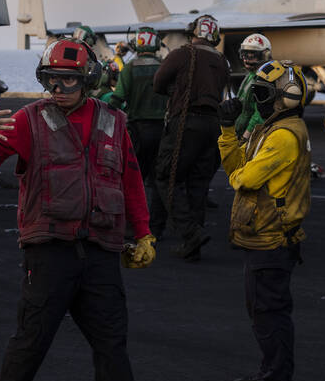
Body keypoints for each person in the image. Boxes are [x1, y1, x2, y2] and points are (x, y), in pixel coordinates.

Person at [0, 37, 180, 381]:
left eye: (68, 81)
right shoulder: (29, 120)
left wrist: (144, 232)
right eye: (52, 81)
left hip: (99, 250)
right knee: (33, 338)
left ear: (88, 80)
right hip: (49, 252)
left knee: (111, 345)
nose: (59, 89)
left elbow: (131, 181)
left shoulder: (114, 122)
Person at [218, 60, 310, 381]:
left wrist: (238, 161)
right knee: (262, 311)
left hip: (272, 238)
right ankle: (271, 372)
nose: (256, 100)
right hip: (263, 236)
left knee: (269, 313)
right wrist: (227, 129)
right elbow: (235, 166)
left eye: (261, 94)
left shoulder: (284, 136)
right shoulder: (271, 129)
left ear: (281, 98)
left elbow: (243, 178)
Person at [153, 14, 230, 261]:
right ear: (215, 37)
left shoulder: (182, 54)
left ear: (192, 33)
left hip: (185, 122)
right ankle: (193, 241)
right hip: (212, 126)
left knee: (167, 177)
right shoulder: (221, 62)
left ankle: (189, 232)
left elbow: (158, 83)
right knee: (198, 183)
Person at [109, 27, 168, 226]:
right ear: (156, 44)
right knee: (160, 180)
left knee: (134, 181)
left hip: (138, 131)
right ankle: (157, 227)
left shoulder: (130, 68)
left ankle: (131, 225)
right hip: (163, 131)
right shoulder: (164, 67)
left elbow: (117, 99)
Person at [234, 32, 273, 140]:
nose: (246, 59)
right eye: (244, 54)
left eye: (252, 55)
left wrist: (246, 136)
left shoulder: (265, 79)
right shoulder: (250, 76)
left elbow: (259, 114)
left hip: (252, 136)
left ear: (265, 55)